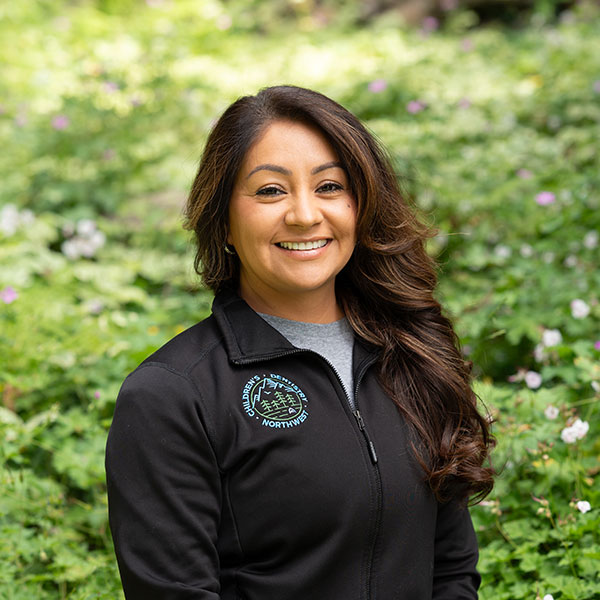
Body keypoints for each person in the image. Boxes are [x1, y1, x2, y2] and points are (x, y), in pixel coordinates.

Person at [105, 85, 495, 599]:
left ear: (361, 204)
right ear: (222, 218)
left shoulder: (411, 356)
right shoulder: (173, 396)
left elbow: (449, 570)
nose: (305, 214)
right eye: (270, 191)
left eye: (330, 186)